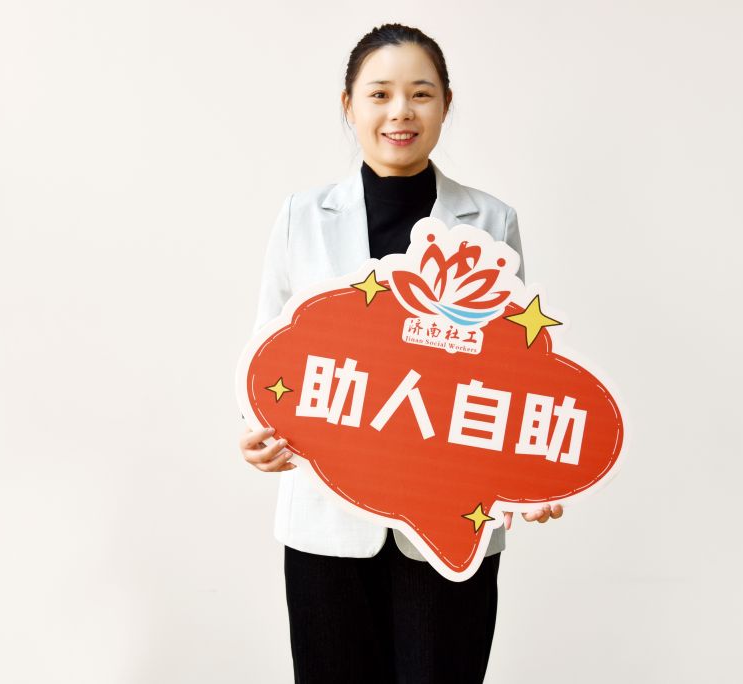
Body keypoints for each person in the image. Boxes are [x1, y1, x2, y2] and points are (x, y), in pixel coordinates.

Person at [238, 23, 564, 683]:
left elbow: (509, 372)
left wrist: (534, 474)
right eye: (380, 93)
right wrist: (256, 431)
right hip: (328, 524)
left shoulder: (490, 220)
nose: (400, 112)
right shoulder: (303, 216)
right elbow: (268, 348)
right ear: (348, 105)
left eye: (420, 93)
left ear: (445, 103)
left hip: (448, 526)